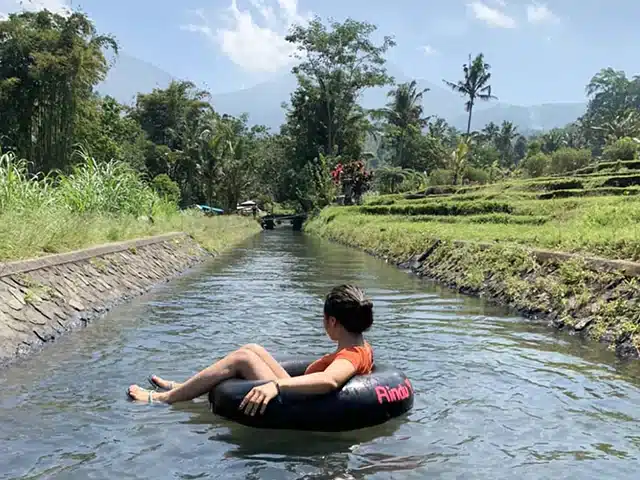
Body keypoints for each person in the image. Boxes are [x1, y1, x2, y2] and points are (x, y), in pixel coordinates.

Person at [126, 284, 375, 416]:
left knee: (243, 358)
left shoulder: (351, 355)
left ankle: (164, 398)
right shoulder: (363, 346)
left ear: (332, 321)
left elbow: (330, 380)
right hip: (300, 392)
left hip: (298, 402)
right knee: (252, 348)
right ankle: (183, 387)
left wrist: (275, 385)